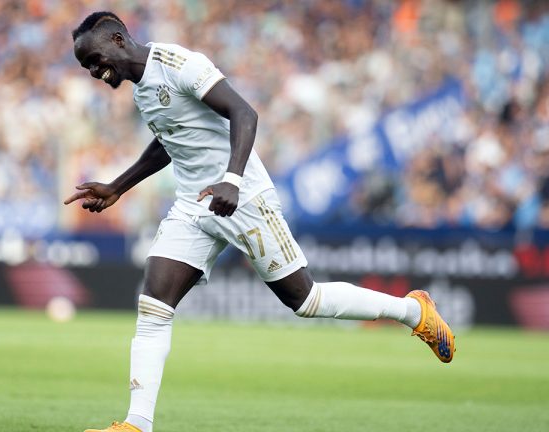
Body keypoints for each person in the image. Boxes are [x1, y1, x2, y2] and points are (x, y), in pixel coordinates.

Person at [64, 11, 455, 432]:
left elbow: (244, 112)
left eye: (93, 58)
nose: (92, 71)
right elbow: (169, 140)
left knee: (306, 301)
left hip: (243, 196)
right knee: (154, 307)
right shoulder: (142, 90)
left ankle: (413, 311)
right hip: (194, 205)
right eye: (85, 65)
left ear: (119, 40)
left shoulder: (179, 64)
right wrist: (120, 186)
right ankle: (136, 424)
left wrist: (231, 180)